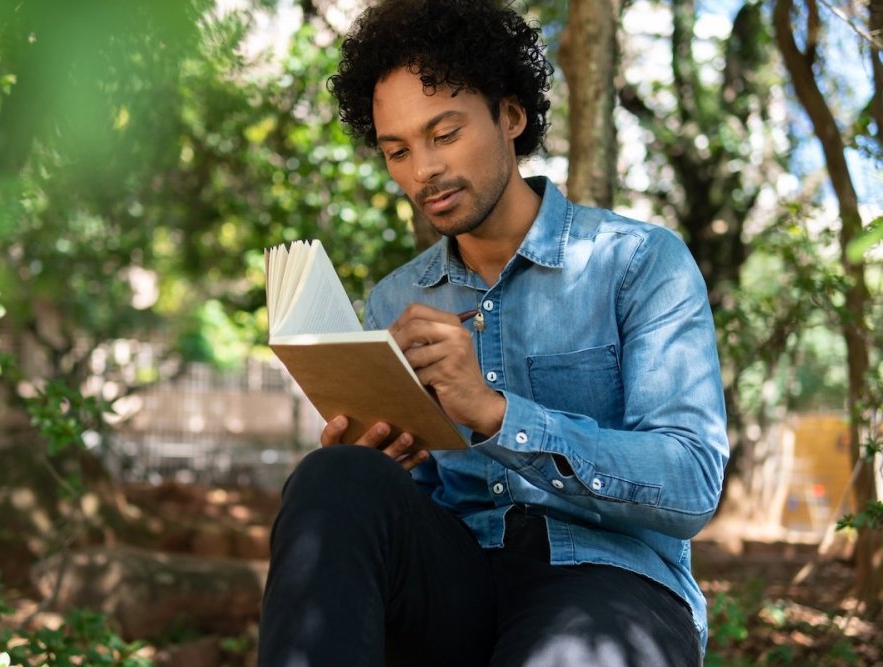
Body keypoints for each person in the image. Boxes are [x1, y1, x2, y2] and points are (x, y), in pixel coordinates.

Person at [257, 0, 729, 664]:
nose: (422, 171)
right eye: (398, 150)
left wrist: (497, 414)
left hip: (607, 579)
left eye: (444, 133)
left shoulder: (637, 263)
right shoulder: (397, 298)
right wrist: (380, 459)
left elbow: (690, 484)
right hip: (456, 579)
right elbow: (405, 514)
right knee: (334, 477)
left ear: (510, 116)